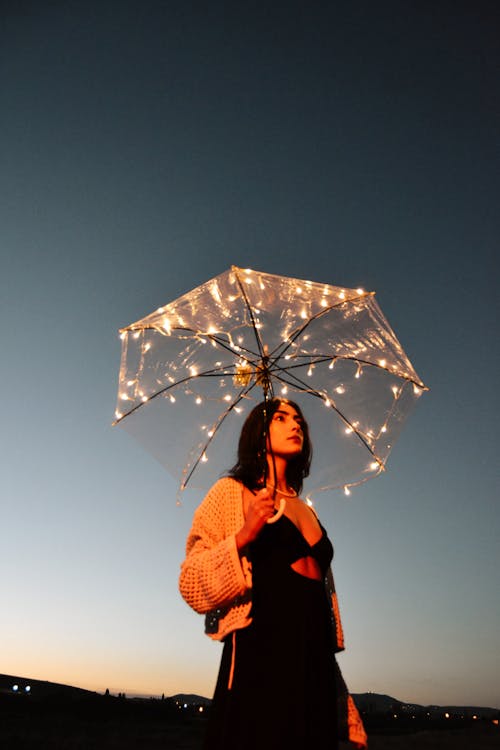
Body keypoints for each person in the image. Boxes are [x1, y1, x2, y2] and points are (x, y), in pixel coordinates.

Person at [179, 398, 367, 749]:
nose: (296, 425)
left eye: (299, 420)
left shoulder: (307, 509)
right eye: (282, 418)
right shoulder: (231, 493)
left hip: (314, 660)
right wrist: (244, 535)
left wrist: (344, 703)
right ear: (259, 433)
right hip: (261, 655)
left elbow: (319, 609)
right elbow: (191, 582)